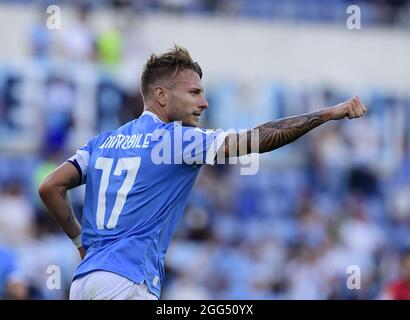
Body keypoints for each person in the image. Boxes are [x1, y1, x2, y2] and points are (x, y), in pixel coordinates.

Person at [38, 45, 367, 300]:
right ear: (162, 96)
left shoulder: (103, 141)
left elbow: (50, 187)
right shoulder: (175, 140)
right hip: (126, 280)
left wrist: (82, 243)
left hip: (84, 281)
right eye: (194, 93)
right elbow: (259, 139)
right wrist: (325, 115)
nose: (204, 102)